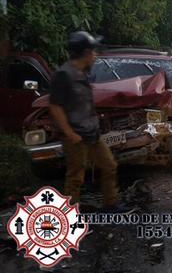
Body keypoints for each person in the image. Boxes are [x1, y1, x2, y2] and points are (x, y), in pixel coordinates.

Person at [49, 31, 119, 210]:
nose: (95, 56)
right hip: (75, 135)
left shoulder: (82, 73)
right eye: (94, 51)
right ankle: (70, 213)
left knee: (109, 165)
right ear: (86, 52)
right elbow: (55, 107)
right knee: (76, 176)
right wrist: (69, 133)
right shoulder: (63, 75)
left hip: (92, 133)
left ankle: (111, 205)